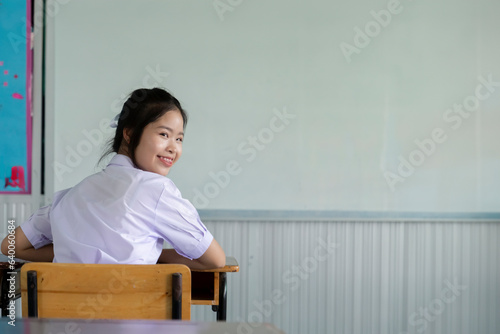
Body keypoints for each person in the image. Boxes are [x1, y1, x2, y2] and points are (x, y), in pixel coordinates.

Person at [1, 88, 225, 269]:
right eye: (164, 134)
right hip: (132, 323)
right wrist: (156, 256)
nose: (173, 148)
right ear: (128, 133)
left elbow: (11, 246)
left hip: (64, 323)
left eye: (179, 139)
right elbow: (216, 260)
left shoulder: (71, 197)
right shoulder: (157, 191)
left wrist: (70, 252)